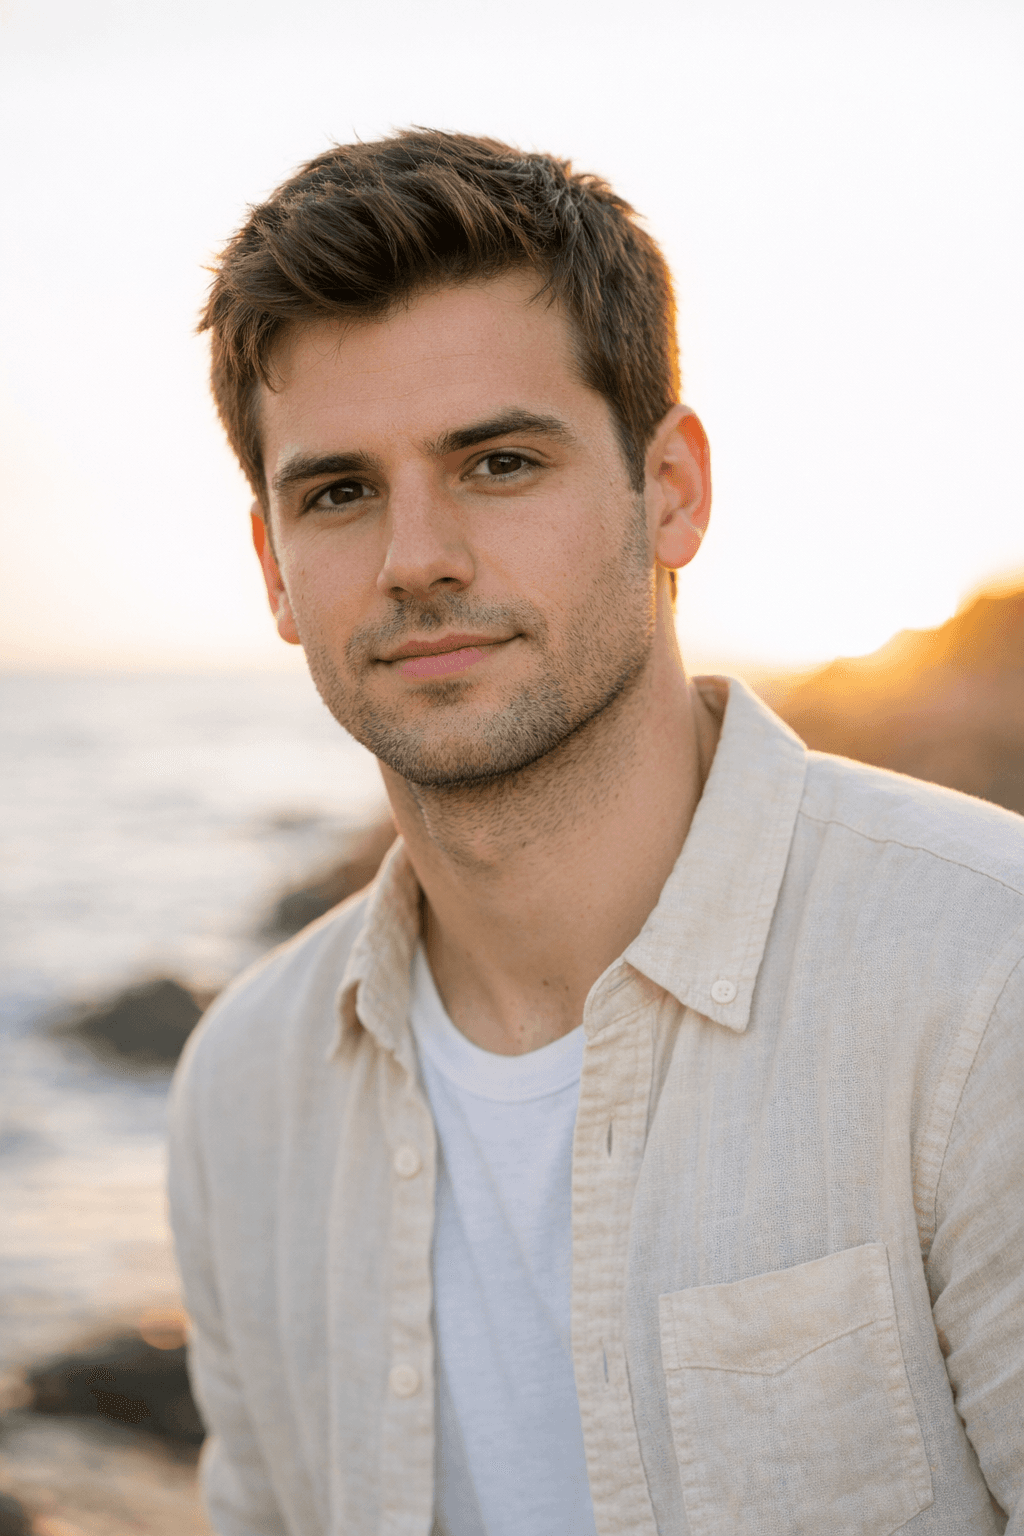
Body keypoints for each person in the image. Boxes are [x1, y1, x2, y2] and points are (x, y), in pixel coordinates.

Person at [168, 130, 1023, 1536]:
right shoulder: (242, 1091)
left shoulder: (984, 983)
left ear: (670, 489)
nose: (416, 558)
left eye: (498, 462)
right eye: (339, 491)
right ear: (273, 565)